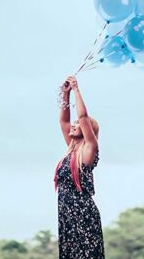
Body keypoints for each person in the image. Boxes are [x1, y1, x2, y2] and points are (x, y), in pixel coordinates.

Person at [54, 75, 105, 258]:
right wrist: (65, 95)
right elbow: (63, 122)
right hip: (67, 217)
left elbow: (83, 116)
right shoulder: (71, 150)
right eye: (74, 124)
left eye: (78, 124)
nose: (74, 125)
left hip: (84, 216)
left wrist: (76, 89)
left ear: (86, 130)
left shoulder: (89, 150)